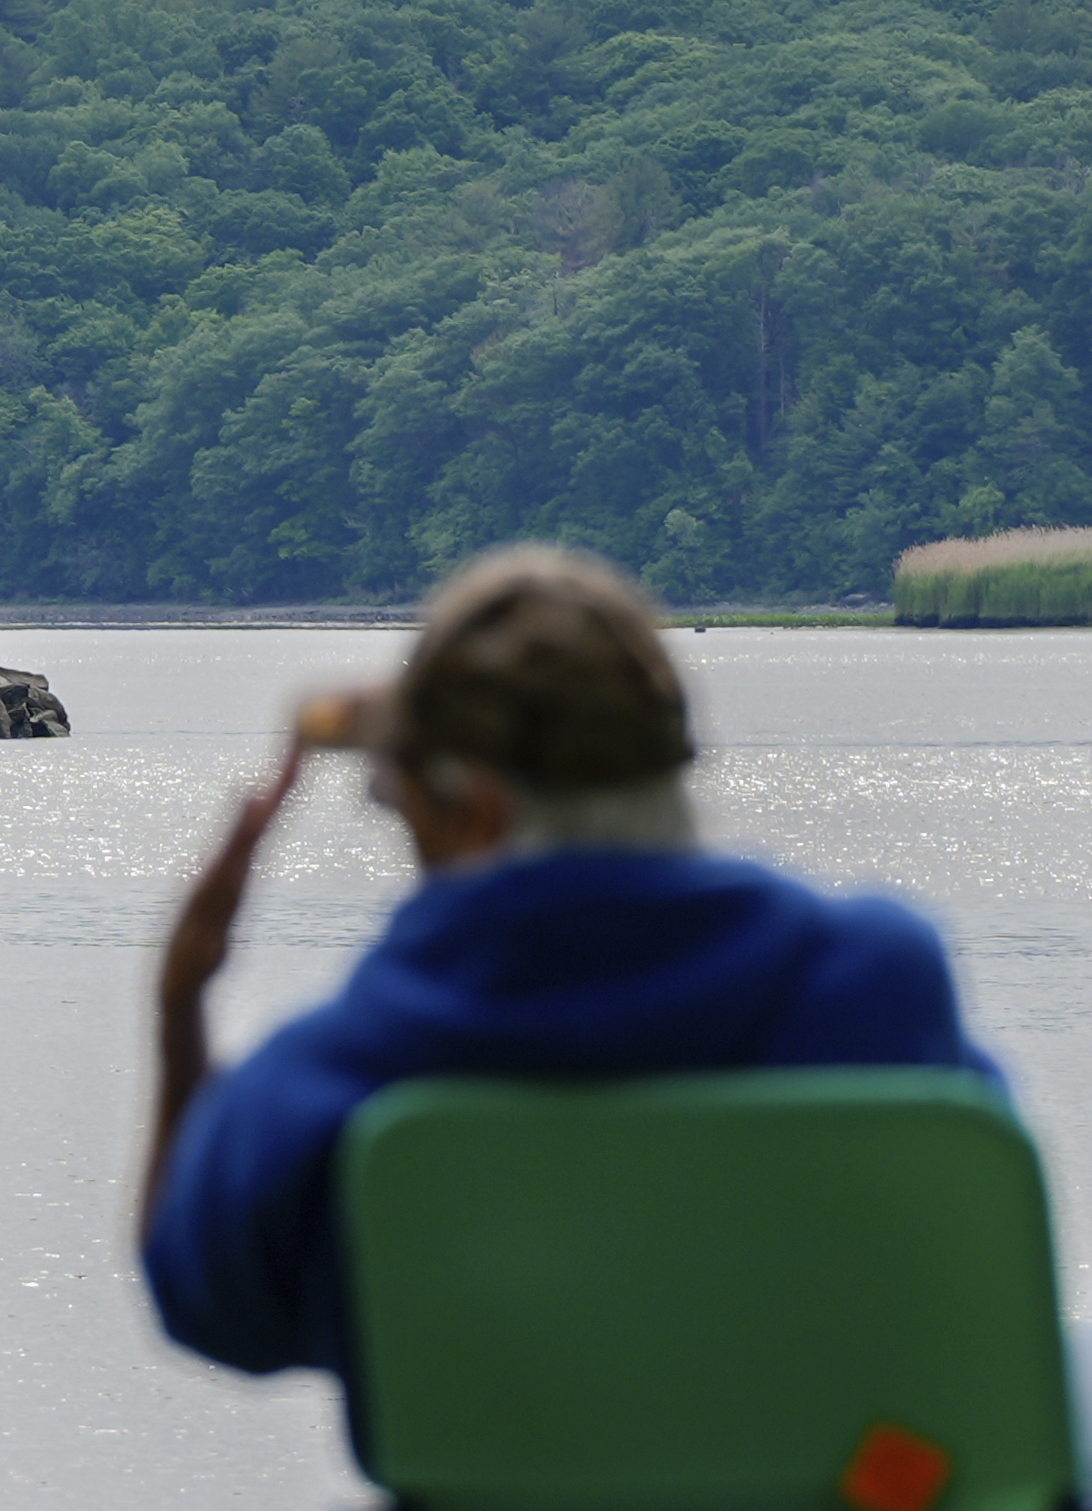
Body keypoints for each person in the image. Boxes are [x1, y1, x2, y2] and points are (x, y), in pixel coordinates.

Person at [139, 544, 997, 1389]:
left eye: (397, 808)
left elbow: (201, 1301)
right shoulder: (878, 991)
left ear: (473, 808)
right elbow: (973, 1255)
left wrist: (181, 1007)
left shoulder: (328, 1087)